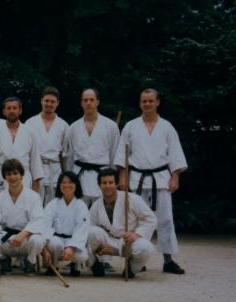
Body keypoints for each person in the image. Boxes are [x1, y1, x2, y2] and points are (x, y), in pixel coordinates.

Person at [114, 88, 188, 274]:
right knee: (133, 222)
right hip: (136, 180)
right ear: (140, 104)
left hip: (160, 180)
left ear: (157, 102)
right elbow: (123, 156)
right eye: (144, 101)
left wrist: (175, 176)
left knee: (165, 220)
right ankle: (137, 257)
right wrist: (122, 177)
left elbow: (175, 154)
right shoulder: (131, 126)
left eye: (150, 101)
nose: (147, 104)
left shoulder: (167, 127)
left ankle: (168, 260)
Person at [0, 159, 46, 274]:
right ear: (4, 177)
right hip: (8, 239)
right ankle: (3, 260)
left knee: (37, 240)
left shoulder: (33, 196)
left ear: (22, 175)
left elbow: (38, 220)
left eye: (15, 173)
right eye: (8, 174)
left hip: (25, 240)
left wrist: (23, 234)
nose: (12, 177)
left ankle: (30, 261)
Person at [65, 88, 120, 206]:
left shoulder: (111, 126)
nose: (88, 103)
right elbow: (69, 156)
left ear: (97, 102)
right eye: (85, 100)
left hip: (102, 177)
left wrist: (113, 179)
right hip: (79, 177)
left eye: (91, 99)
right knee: (79, 215)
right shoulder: (73, 128)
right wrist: (69, 179)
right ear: (81, 103)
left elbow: (115, 155)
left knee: (102, 216)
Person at [0, 97, 44, 193]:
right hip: (2, 175)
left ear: (20, 111)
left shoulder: (30, 132)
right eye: (8, 108)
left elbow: (35, 158)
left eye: (14, 108)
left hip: (24, 175)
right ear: (4, 111)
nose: (11, 111)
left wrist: (36, 181)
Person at [25, 86, 69, 206]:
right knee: (34, 203)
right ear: (41, 101)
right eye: (47, 101)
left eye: (52, 102)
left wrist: (65, 175)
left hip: (55, 170)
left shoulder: (63, 125)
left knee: (54, 205)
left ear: (57, 103)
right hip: (35, 168)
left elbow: (65, 154)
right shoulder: (30, 123)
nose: (49, 104)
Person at [42, 171, 89, 276]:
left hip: (72, 240)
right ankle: (53, 266)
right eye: (63, 182)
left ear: (76, 185)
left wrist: (71, 248)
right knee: (55, 244)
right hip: (56, 239)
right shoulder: (53, 204)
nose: (67, 185)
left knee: (82, 256)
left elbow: (81, 229)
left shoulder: (81, 206)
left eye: (70, 182)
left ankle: (75, 265)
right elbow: (45, 226)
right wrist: (45, 249)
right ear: (59, 185)